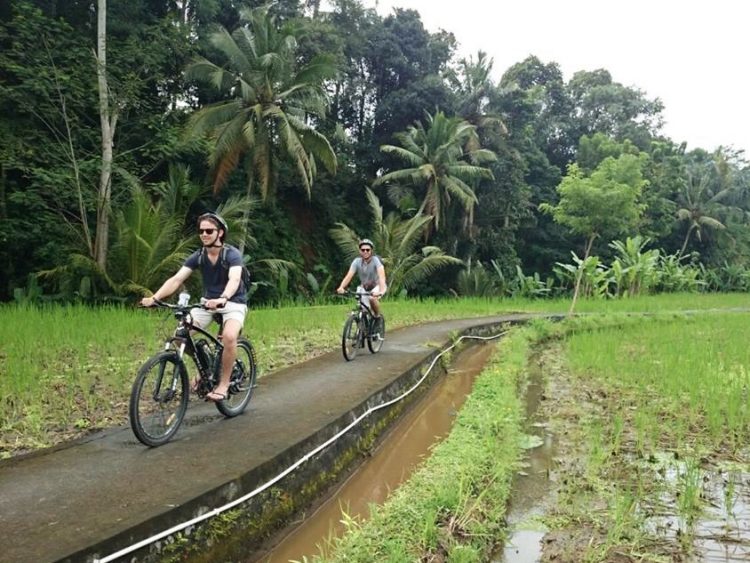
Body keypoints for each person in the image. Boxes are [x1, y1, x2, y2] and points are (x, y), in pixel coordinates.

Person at [140, 212, 247, 402]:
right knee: (180, 335)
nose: (204, 234)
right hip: (206, 303)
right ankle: (205, 368)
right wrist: (154, 298)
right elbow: (177, 279)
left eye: (209, 230)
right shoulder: (198, 256)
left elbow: (234, 279)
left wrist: (223, 297)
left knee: (230, 337)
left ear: (220, 233)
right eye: (201, 231)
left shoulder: (231, 255)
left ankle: (223, 385)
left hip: (233, 302)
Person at [336, 238, 387, 318]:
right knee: (363, 310)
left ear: (371, 251)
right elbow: (348, 276)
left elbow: (382, 277)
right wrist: (341, 287)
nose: (365, 252)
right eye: (363, 250)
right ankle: (362, 327)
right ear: (360, 251)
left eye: (367, 250)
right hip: (364, 287)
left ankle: (377, 316)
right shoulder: (356, 261)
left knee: (372, 299)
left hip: (377, 286)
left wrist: (381, 291)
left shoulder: (376, 260)